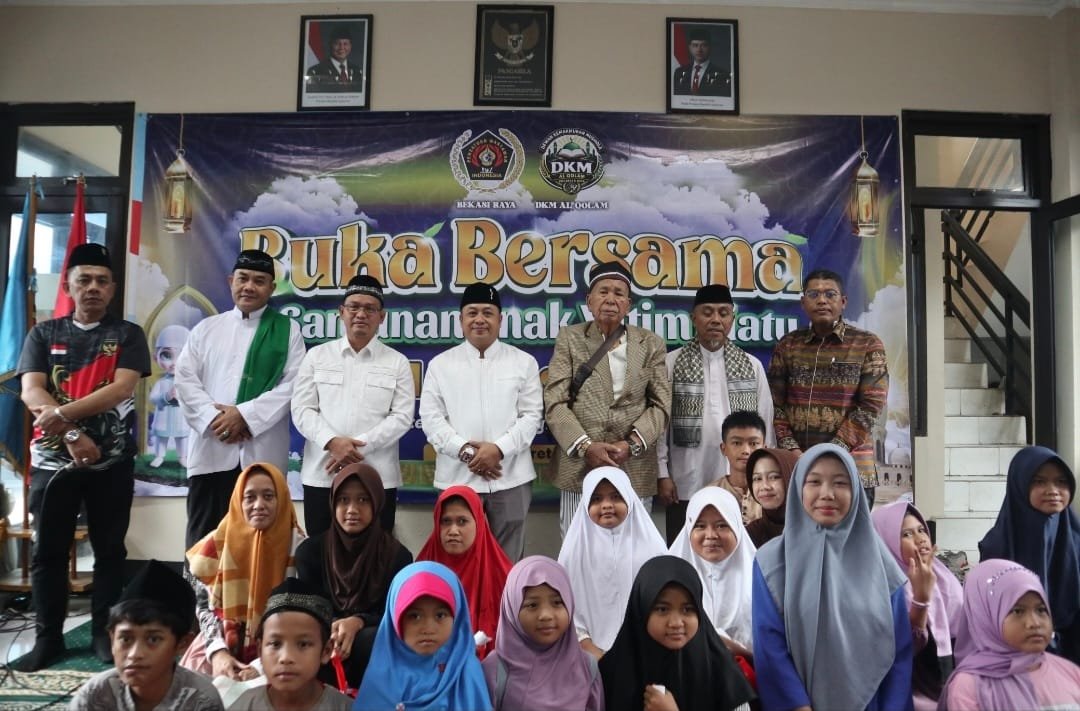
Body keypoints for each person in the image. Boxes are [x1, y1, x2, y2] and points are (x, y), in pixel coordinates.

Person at [15, 242, 151, 670]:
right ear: (68, 286)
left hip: (112, 462)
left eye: (101, 281)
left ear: (112, 288)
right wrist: (72, 433)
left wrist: (60, 415)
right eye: (84, 280)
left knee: (109, 551)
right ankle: (47, 640)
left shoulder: (127, 335)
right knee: (48, 553)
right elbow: (31, 390)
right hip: (53, 464)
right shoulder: (43, 334)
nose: (93, 288)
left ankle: (102, 636)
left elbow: (121, 388)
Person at [752, 443, 913, 711]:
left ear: (857, 491)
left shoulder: (881, 564)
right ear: (798, 488)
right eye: (814, 482)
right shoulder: (771, 562)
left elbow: (899, 652)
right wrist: (798, 706)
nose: (827, 494)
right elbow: (769, 646)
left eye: (840, 483)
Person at [175, 249, 305, 550]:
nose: (249, 287)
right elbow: (185, 380)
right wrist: (216, 419)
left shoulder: (288, 331)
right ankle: (201, 586)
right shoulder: (206, 329)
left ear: (271, 288)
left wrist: (245, 416)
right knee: (205, 544)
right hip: (211, 452)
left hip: (262, 453)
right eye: (243, 279)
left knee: (261, 545)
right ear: (230, 281)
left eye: (259, 281)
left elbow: (294, 385)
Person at [544, 260, 671, 535]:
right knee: (578, 545)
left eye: (618, 293)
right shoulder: (570, 338)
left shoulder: (651, 343)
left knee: (634, 546)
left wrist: (631, 445)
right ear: (589, 301)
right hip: (579, 465)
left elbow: (661, 406)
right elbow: (555, 402)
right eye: (603, 292)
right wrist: (586, 446)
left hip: (633, 465)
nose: (611, 299)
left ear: (628, 304)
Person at [420, 283, 543, 561]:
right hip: (457, 478)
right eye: (472, 312)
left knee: (508, 561)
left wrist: (498, 450)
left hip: (510, 476)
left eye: (488, 313)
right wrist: (467, 452)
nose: (479, 319)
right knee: (458, 558)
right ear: (460, 319)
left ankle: (505, 594)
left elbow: (532, 416)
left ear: (500, 319)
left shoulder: (523, 362)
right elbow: (431, 419)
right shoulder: (441, 365)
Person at [292, 275, 414, 537]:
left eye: (370, 308)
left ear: (382, 317)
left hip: (377, 477)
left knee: (376, 553)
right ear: (341, 312)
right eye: (354, 307)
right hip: (322, 474)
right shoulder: (316, 356)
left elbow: (403, 417)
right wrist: (333, 443)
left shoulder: (397, 362)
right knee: (320, 551)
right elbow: (302, 409)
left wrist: (357, 448)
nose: (361, 314)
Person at [658, 283, 773, 543]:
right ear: (693, 318)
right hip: (685, 480)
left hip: (740, 483)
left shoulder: (752, 365)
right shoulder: (671, 363)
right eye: (707, 312)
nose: (715, 320)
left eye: (723, 313)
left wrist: (762, 476)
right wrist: (662, 474)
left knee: (738, 548)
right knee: (685, 549)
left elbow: (765, 425)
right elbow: (660, 425)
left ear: (732, 318)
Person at [767, 268, 889, 506]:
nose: (822, 300)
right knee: (800, 532)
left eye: (830, 294)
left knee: (850, 533)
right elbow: (774, 405)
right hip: (799, 470)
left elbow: (871, 406)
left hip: (852, 473)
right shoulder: (788, 345)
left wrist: (830, 453)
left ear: (843, 302)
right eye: (813, 294)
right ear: (803, 303)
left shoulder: (867, 344)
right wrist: (792, 450)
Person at [294, 463, 413, 689]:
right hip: (325, 636)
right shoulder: (310, 552)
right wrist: (334, 625)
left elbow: (394, 613)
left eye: (363, 500)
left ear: (377, 503)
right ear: (333, 503)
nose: (352, 509)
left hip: (368, 642)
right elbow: (308, 607)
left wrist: (358, 621)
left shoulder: (397, 556)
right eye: (343, 500)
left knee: (373, 640)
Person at [181, 462, 306, 679]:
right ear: (238, 501)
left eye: (268, 496)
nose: (259, 505)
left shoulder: (300, 548)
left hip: (283, 646)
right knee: (192, 685)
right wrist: (218, 652)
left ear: (282, 500)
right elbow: (204, 607)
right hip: (222, 638)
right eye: (249, 497)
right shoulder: (216, 544)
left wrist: (260, 666)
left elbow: (303, 619)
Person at [599, 555, 755, 711]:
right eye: (662, 609)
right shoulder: (612, 672)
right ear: (642, 611)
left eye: (687, 609)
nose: (676, 623)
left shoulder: (720, 669)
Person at [69, 559, 223, 711]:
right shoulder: (94, 697)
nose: (135, 654)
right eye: (125, 639)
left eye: (153, 639)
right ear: (112, 638)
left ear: (182, 644)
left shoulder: (200, 701)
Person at [977, 445, 1080, 664]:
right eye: (1039, 481)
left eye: (1061, 482)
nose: (1053, 490)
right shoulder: (997, 547)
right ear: (1020, 485)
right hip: (1010, 661)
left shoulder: (1076, 541)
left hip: (1072, 659)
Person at [938, 559, 1080, 710]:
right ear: (986, 618)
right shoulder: (970, 686)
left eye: (1041, 610)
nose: (1034, 623)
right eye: (1017, 611)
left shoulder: (1070, 673)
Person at [558, 466, 667, 659]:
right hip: (588, 653)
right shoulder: (573, 551)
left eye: (616, 497)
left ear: (629, 499)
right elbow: (565, 606)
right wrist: (588, 647)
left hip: (646, 649)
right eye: (596, 499)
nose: (607, 505)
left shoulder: (652, 548)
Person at [354, 561, 493, 711]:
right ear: (395, 618)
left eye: (440, 615)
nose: (428, 628)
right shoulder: (382, 675)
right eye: (414, 616)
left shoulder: (465, 670)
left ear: (457, 617)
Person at [872, 501, 964, 710]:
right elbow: (902, 648)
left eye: (921, 530)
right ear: (885, 542)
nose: (921, 538)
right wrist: (921, 597)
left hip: (949, 682)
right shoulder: (885, 586)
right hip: (909, 690)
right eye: (906, 534)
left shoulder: (944, 578)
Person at [481, 555, 604, 711]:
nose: (546, 615)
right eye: (532, 605)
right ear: (512, 609)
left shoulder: (587, 667)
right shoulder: (494, 670)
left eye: (557, 603)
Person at [417, 485, 512, 659]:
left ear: (479, 523)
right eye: (446, 521)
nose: (453, 531)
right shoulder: (419, 573)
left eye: (462, 521)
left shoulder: (505, 576)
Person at [227, 578, 352, 711]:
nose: (286, 657)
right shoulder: (244, 706)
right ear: (260, 650)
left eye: (303, 644)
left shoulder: (346, 707)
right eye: (275, 644)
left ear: (326, 651)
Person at [669, 487, 756, 660]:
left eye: (722, 525)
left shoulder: (760, 577)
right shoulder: (670, 576)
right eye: (700, 526)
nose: (711, 535)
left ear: (736, 526)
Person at [713, 411, 768, 526]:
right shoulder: (711, 494)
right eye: (737, 443)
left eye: (753, 443)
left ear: (764, 449)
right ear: (723, 449)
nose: (746, 451)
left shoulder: (772, 493)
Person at [148, 324, 190, 468]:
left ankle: (182, 457)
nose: (174, 363)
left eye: (182, 356)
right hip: (163, 415)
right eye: (167, 356)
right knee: (161, 437)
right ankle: (159, 456)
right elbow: (153, 398)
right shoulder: (161, 383)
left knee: (182, 437)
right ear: (156, 358)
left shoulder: (188, 381)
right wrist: (165, 397)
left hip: (181, 416)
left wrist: (182, 398)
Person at [743, 447, 799, 548]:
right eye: (757, 478)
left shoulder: (815, 531)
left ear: (792, 477)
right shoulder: (750, 535)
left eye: (774, 477)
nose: (764, 486)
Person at [672, 27, 731, 97]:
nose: (699, 50)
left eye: (704, 45)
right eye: (695, 45)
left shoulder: (722, 75)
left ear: (710, 47)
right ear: (689, 47)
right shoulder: (679, 72)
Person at [305, 25, 364, 93]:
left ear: (350, 46)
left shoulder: (358, 71)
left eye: (345, 44)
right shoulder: (316, 71)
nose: (341, 48)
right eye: (337, 43)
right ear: (330, 45)